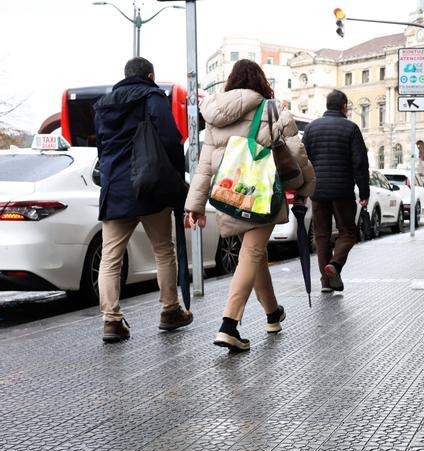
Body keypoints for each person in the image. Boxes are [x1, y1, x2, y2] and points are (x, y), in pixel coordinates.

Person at [184, 59, 315, 352]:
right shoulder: (270, 109)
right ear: (260, 81)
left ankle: (272, 313)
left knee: (253, 256)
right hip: (261, 196)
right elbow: (296, 151)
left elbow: (204, 166)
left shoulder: (215, 115)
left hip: (229, 196)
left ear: (231, 82)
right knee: (253, 253)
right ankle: (229, 324)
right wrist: (307, 186)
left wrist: (194, 205)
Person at [94, 57, 192, 343]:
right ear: (150, 75)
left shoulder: (103, 104)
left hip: (115, 189)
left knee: (110, 257)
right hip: (150, 185)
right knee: (163, 249)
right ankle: (169, 310)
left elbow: (101, 147)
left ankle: (111, 321)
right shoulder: (152, 96)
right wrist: (175, 177)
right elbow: (171, 138)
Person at [301, 89, 370, 293]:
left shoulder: (311, 128)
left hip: (318, 191)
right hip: (342, 191)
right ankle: (335, 266)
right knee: (348, 232)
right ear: (344, 107)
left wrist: (305, 188)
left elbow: (304, 160)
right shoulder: (351, 128)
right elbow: (359, 163)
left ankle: (326, 281)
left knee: (321, 235)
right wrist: (364, 192)